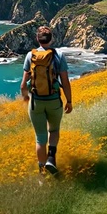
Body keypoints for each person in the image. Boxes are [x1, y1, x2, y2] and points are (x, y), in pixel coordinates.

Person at [20, 26, 73, 175]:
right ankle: (51, 157)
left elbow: (23, 84)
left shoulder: (30, 56)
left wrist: (26, 97)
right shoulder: (59, 55)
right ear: (52, 39)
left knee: (40, 138)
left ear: (37, 39)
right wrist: (69, 101)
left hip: (36, 102)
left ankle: (41, 173)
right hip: (54, 101)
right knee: (54, 130)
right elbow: (65, 81)